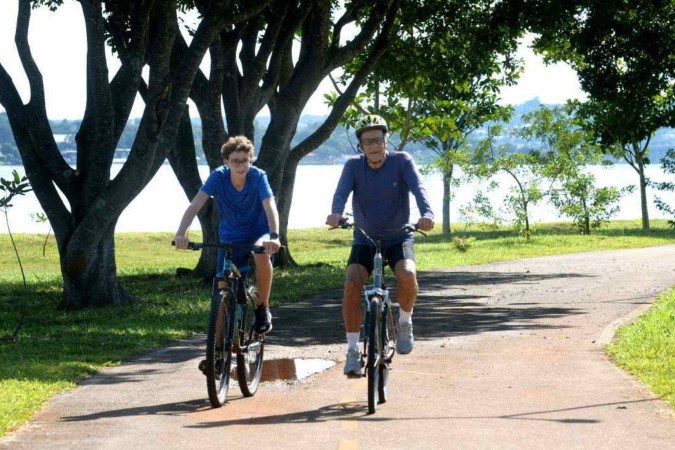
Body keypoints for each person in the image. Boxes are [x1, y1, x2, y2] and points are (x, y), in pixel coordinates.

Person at [326, 114, 435, 377]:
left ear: (386, 141)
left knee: (407, 274)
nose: (374, 146)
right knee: (352, 284)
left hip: (398, 236)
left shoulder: (402, 161)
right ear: (360, 147)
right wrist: (335, 213)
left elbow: (419, 188)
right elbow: (341, 193)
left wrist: (427, 214)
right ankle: (353, 351)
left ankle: (405, 323)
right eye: (367, 142)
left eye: (378, 140)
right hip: (365, 238)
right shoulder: (353, 166)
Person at [173, 135, 281, 334]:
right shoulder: (218, 176)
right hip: (230, 236)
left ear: (251, 159)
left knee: (261, 254)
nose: (240, 165)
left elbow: (270, 206)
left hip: (259, 231)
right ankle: (217, 349)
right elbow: (195, 205)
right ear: (226, 162)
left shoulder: (258, 176)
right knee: (222, 285)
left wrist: (274, 236)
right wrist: (181, 233)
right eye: (235, 161)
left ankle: (262, 308)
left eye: (245, 160)